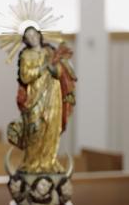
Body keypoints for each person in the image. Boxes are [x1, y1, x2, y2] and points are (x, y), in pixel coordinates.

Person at [7, 26, 77, 174]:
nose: (32, 38)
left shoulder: (50, 52)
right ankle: (32, 163)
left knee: (52, 127)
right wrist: (41, 68)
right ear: (25, 39)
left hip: (53, 94)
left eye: (34, 34)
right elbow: (25, 76)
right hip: (35, 96)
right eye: (28, 36)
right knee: (35, 129)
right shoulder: (26, 55)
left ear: (39, 35)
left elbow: (60, 71)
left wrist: (54, 69)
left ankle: (48, 162)